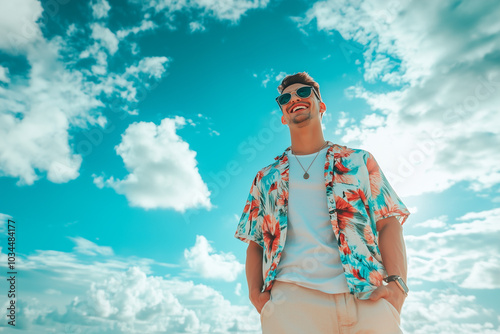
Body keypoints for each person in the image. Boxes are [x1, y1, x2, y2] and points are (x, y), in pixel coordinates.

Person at [234, 72, 411, 333]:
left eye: (303, 92)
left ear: (321, 106)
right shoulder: (266, 178)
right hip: (292, 304)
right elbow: (255, 242)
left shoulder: (358, 161)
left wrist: (397, 286)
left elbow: (388, 223)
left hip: (367, 295)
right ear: (283, 115)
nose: (294, 98)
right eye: (285, 97)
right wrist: (256, 296)